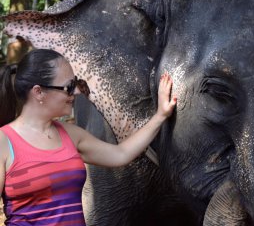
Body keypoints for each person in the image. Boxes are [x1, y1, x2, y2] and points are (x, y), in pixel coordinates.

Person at [0, 49, 177, 225]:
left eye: (76, 84)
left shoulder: (70, 134)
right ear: (38, 92)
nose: (76, 92)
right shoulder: (4, 141)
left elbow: (121, 153)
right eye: (68, 87)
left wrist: (160, 115)